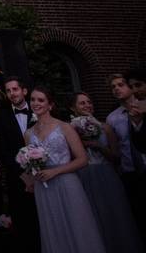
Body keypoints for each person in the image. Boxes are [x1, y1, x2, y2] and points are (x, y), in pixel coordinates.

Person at [22, 85, 104, 253]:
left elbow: (83, 159)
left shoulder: (64, 127)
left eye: (41, 100)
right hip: (44, 187)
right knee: (53, 226)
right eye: (33, 100)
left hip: (67, 182)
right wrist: (30, 174)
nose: (36, 103)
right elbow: (31, 162)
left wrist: (55, 171)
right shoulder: (28, 133)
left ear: (50, 105)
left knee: (77, 225)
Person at [69, 92, 142, 253]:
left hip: (106, 174)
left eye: (89, 102)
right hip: (84, 176)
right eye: (82, 103)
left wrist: (99, 146)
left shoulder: (106, 127)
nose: (88, 105)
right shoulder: (70, 130)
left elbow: (116, 157)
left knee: (114, 214)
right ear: (73, 108)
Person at [0, 75, 39, 253]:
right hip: (18, 181)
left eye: (15, 89)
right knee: (26, 226)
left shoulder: (39, 111)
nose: (12, 93)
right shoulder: (0, 118)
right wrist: (25, 177)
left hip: (46, 176)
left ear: (24, 91)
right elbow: (3, 151)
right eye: (8, 91)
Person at [105, 72, 146, 235]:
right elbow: (115, 148)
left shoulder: (144, 106)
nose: (116, 89)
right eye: (113, 87)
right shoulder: (112, 118)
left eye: (120, 85)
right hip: (130, 173)